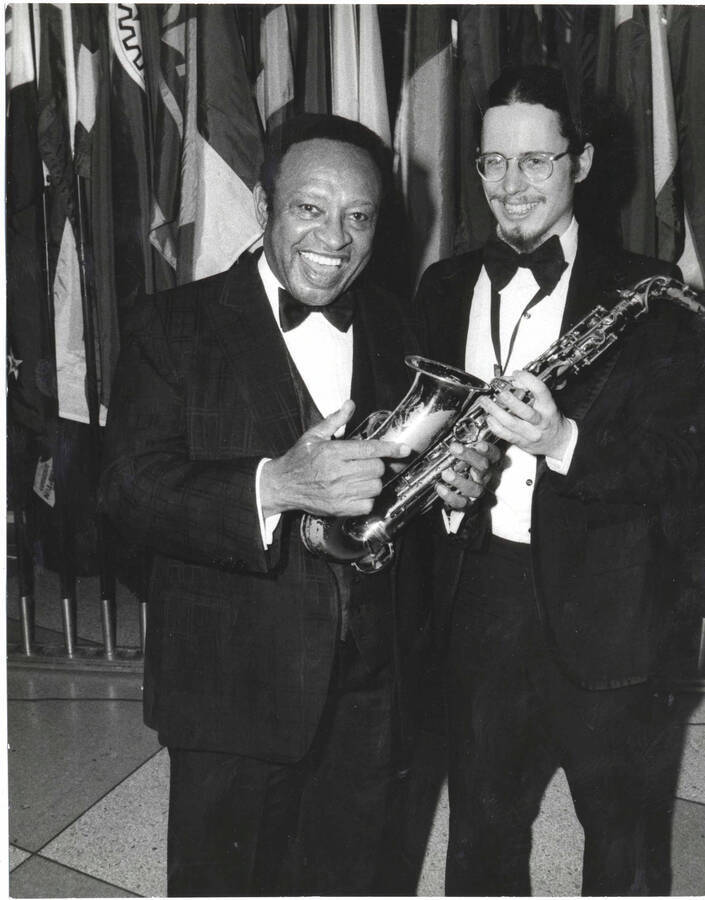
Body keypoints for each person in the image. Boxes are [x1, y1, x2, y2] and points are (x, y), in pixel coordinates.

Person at [99, 113, 489, 897]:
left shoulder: (399, 322)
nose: (336, 239)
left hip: (375, 690)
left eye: (359, 216)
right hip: (231, 692)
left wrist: (451, 496)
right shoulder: (168, 326)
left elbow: (404, 497)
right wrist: (275, 485)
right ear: (261, 204)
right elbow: (125, 493)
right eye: (310, 209)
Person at [414, 65, 705, 896]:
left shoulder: (649, 296)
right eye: (492, 163)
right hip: (479, 601)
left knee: (623, 845)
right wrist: (441, 490)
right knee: (480, 831)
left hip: (611, 607)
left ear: (578, 162)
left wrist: (563, 438)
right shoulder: (440, 289)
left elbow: (686, 466)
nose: (509, 188)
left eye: (534, 161)